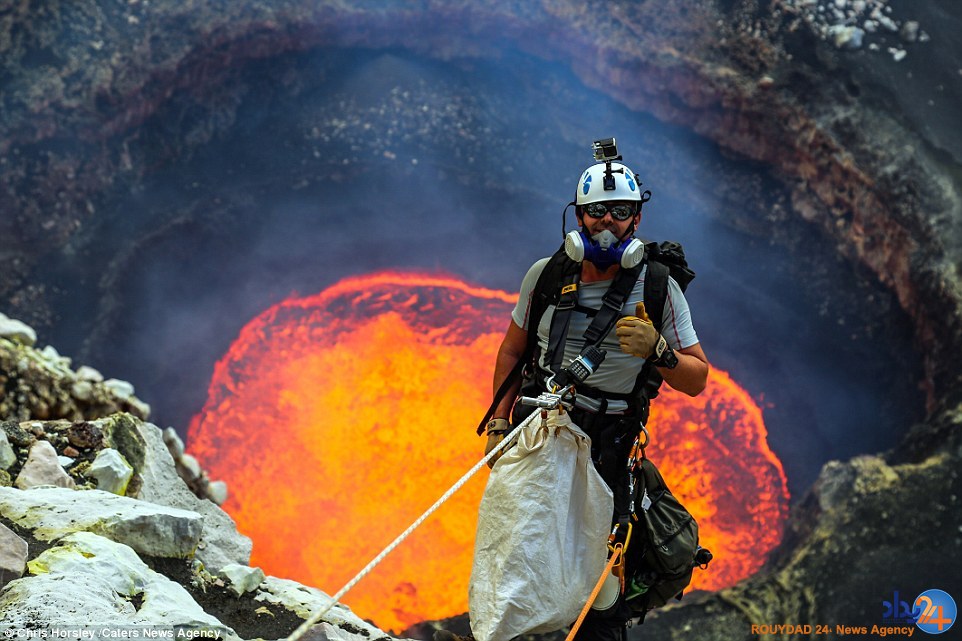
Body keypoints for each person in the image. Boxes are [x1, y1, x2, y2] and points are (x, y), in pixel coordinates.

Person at [439, 148, 710, 641]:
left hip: (610, 444)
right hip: (539, 430)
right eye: (597, 211)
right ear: (578, 214)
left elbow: (697, 378)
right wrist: (499, 423)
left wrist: (660, 351)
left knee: (599, 579)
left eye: (620, 211)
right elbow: (511, 353)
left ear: (637, 217)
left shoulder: (658, 288)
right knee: (517, 547)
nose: (608, 222)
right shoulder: (545, 275)